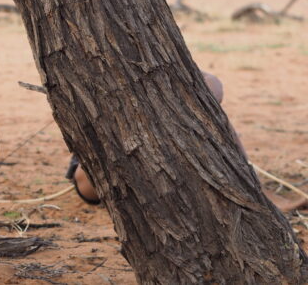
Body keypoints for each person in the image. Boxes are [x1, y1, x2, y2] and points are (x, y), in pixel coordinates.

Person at [66, 71, 308, 213]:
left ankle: (253, 189)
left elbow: (212, 83)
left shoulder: (156, 61)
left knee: (213, 114)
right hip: (97, 180)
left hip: (160, 171)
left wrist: (178, 104)